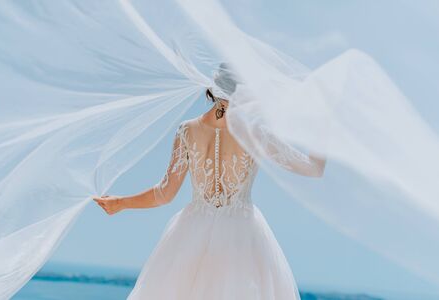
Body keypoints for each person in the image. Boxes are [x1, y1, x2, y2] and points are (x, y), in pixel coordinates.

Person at [93, 63, 326, 299]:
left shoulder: (187, 130)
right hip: (241, 236)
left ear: (212, 90)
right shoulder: (255, 133)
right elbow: (313, 169)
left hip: (189, 234)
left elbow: (165, 193)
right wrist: (326, 130)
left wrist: (120, 202)